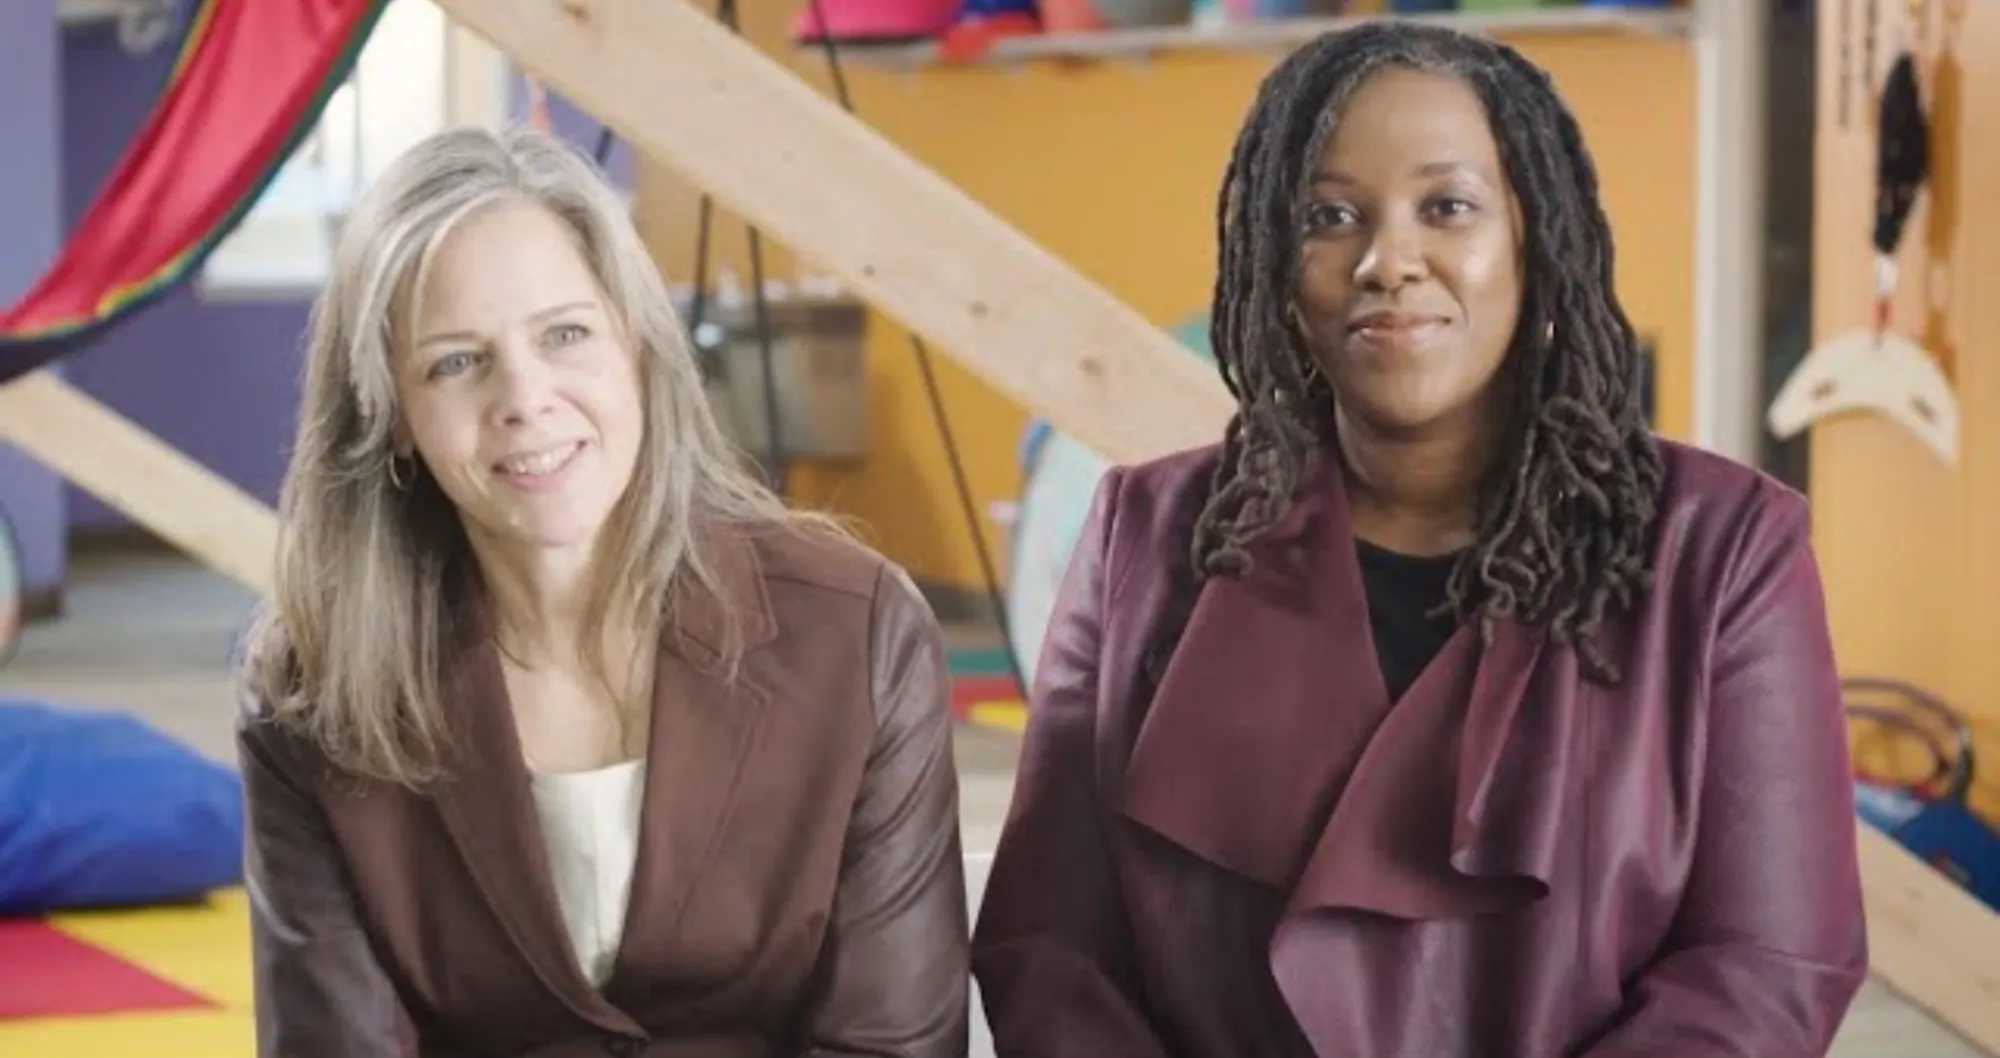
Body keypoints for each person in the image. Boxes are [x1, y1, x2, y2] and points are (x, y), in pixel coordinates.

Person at [971, 22, 1867, 1058]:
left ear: (1534, 235)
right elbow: (1051, 950)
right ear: (1274, 260)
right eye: (1328, 215)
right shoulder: (1145, 534)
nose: (1385, 261)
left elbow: (1764, 964)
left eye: (1446, 207)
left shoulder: (1724, 550)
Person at [234, 126, 969, 1058]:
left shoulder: (860, 635)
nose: (525, 397)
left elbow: (893, 1043)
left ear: (638, 350)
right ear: (395, 418)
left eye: (565, 335)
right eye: (456, 361)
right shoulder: (310, 689)